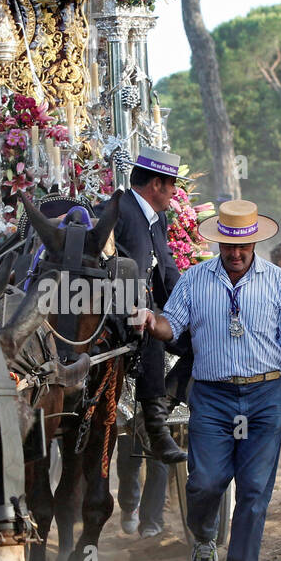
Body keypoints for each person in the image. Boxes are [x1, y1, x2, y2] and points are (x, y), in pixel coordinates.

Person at [139, 200, 281, 561]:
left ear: (254, 242)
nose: (235, 254)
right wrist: (154, 322)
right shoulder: (194, 280)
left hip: (265, 393)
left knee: (255, 488)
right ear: (218, 243)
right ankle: (204, 535)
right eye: (228, 247)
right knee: (205, 481)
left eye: (243, 247)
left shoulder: (277, 282)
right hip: (213, 395)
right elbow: (173, 325)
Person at [109, 146, 189, 464]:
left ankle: (158, 411)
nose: (174, 192)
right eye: (172, 185)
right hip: (116, 315)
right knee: (150, 329)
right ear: (156, 184)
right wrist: (135, 307)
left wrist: (194, 307)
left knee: (205, 337)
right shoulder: (118, 211)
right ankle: (156, 431)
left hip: (147, 312)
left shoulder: (158, 218)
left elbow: (167, 270)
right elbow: (103, 268)